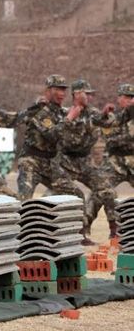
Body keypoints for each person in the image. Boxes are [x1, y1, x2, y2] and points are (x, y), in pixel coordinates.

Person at [58, 79, 115, 243]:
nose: (90, 97)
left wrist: (106, 113)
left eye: (91, 94)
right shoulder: (64, 113)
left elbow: (106, 121)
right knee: (56, 195)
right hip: (65, 161)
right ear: (76, 94)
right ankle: (74, 233)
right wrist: (69, 118)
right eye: (86, 93)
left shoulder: (92, 112)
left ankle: (114, 231)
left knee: (106, 190)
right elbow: (58, 133)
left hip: (84, 161)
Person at [96, 83, 134, 238]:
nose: (130, 100)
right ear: (120, 99)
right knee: (102, 190)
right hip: (115, 161)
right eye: (127, 97)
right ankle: (112, 230)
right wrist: (104, 115)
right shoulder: (116, 117)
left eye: (132, 98)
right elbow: (106, 134)